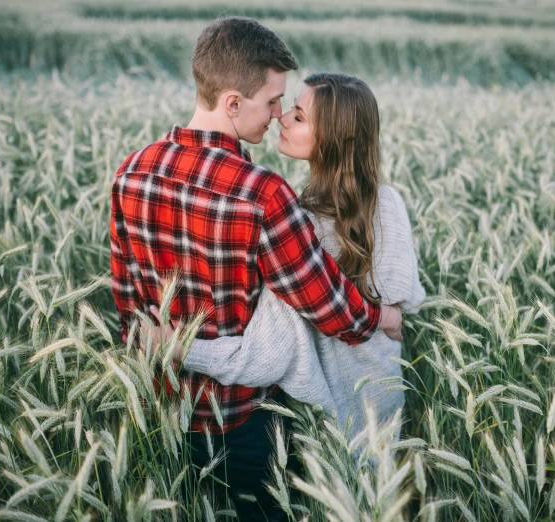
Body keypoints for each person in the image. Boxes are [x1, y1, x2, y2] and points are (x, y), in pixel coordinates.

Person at [110, 17, 403, 522]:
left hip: (155, 413)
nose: (277, 114)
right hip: (240, 425)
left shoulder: (132, 170)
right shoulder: (262, 193)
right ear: (232, 103)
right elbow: (332, 308)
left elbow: (126, 299)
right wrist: (383, 319)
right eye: (272, 101)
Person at [144, 73, 426, 444]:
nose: (281, 118)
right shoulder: (387, 203)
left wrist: (182, 349)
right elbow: (405, 301)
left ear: (334, 139)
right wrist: (384, 316)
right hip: (384, 393)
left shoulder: (294, 224)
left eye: (299, 115)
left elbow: (267, 354)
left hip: (334, 419)